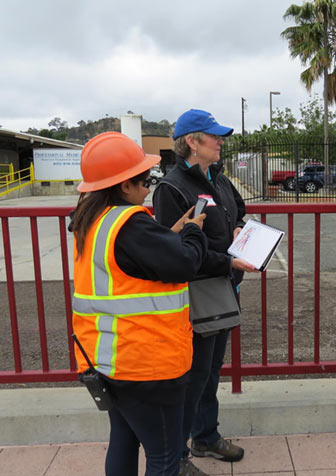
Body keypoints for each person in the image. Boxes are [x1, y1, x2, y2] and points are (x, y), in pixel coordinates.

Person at [71, 132, 208, 476]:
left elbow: (133, 267)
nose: (148, 188)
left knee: (124, 438)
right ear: (123, 186)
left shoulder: (93, 221)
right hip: (148, 363)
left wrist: (169, 234)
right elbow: (185, 263)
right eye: (143, 180)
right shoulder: (131, 223)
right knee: (163, 456)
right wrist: (192, 231)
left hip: (108, 359)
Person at [153, 109, 257, 476]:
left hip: (224, 290)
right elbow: (175, 251)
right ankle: (177, 455)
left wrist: (241, 234)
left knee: (210, 371)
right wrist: (228, 262)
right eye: (214, 136)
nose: (221, 141)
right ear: (193, 142)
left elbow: (239, 213)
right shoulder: (172, 187)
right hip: (197, 295)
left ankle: (206, 436)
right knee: (193, 375)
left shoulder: (219, 179)